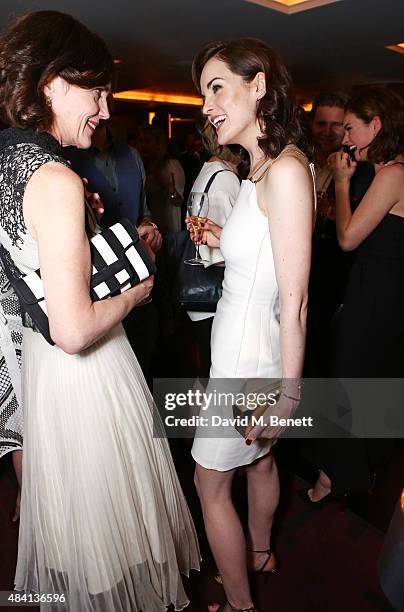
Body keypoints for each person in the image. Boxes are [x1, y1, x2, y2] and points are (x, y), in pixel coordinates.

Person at [0, 10, 199, 611]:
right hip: (82, 376)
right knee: (112, 544)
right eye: (97, 91)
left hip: (39, 375)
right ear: (52, 84)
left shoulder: (11, 160)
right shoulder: (54, 177)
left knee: (78, 541)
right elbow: (74, 328)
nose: (106, 110)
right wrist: (139, 291)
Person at [189, 39, 315, 612]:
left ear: (258, 85)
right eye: (203, 93)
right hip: (244, 354)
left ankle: (241, 606)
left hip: (247, 366)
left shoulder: (285, 171)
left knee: (209, 484)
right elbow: (262, 254)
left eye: (218, 87)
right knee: (261, 461)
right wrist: (219, 240)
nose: (207, 104)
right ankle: (260, 554)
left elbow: (297, 301)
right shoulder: (259, 167)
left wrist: (289, 394)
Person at [308, 85, 404, 503]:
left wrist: (343, 182)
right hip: (381, 292)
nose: (345, 138)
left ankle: (336, 477)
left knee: (349, 379)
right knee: (371, 379)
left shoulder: (393, 174)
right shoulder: (393, 171)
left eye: (350, 128)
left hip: (378, 295)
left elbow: (346, 238)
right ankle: (362, 467)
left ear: (376, 125)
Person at [65, 120, 162, 378]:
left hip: (139, 277)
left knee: (144, 369)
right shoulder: (69, 159)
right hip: (99, 292)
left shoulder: (132, 155)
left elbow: (146, 212)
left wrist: (150, 228)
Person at [186, 121, 241, 378]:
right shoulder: (225, 178)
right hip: (215, 298)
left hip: (202, 301)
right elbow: (223, 253)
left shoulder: (209, 170)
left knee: (206, 377)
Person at [138, 125, 186, 235]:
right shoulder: (140, 165)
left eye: (147, 141)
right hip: (147, 229)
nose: (143, 145)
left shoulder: (171, 165)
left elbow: (178, 201)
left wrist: (169, 189)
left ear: (158, 144)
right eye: (141, 141)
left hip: (169, 231)